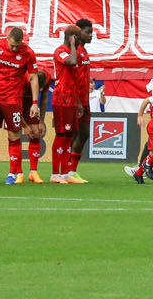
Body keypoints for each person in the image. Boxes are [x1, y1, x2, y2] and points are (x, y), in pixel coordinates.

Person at [0, 26, 39, 185]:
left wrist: (35, 103)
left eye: (18, 45)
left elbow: (34, 78)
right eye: (12, 45)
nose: (15, 48)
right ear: (7, 38)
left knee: (13, 135)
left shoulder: (28, 53)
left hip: (13, 100)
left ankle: (12, 174)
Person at [50, 23, 92, 184]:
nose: (82, 39)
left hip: (72, 98)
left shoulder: (74, 51)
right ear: (73, 37)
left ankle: (66, 173)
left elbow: (75, 79)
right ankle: (55, 174)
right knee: (62, 135)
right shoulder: (61, 51)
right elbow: (72, 62)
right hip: (62, 98)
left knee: (69, 137)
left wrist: (79, 102)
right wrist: (74, 45)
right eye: (79, 37)